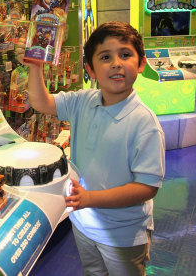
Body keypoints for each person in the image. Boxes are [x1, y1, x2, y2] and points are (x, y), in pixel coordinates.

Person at [24, 21, 165, 276]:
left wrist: (90, 199)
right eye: (105, 57)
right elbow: (41, 102)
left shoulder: (144, 123)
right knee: (93, 272)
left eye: (125, 54)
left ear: (141, 63)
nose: (116, 63)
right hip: (84, 222)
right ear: (90, 68)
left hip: (122, 233)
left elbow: (147, 187)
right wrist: (35, 66)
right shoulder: (83, 101)